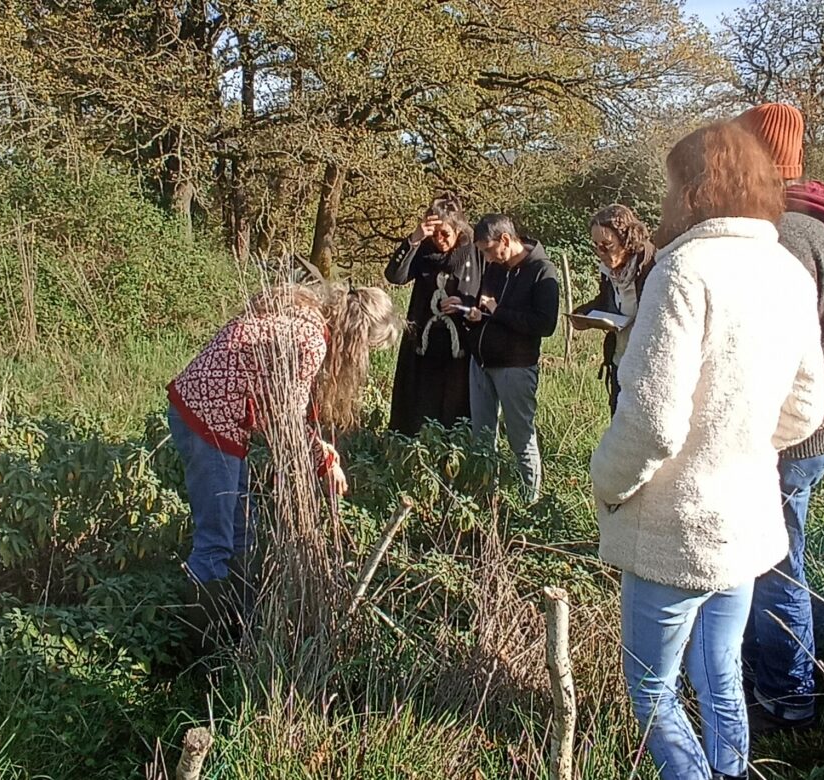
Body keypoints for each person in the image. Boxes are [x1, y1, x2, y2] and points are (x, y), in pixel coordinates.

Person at [590, 121, 824, 780]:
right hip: (747, 518)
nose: (664, 199)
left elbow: (653, 424)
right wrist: (739, 445)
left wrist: (606, 482)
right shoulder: (786, 267)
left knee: (652, 690)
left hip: (675, 524)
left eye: (670, 184)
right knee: (721, 675)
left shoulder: (683, 270)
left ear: (694, 190)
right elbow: (806, 407)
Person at [166, 282, 401, 638]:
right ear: (356, 334)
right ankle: (197, 644)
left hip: (214, 417)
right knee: (216, 540)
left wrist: (318, 445)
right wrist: (324, 460)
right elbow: (285, 420)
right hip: (208, 421)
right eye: (367, 348)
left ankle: (239, 630)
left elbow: (282, 400)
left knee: (245, 533)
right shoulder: (310, 339)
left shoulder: (304, 314)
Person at [735, 102, 824, 735]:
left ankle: (788, 694)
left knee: (774, 560)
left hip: (792, 430)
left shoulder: (781, 233)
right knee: (783, 552)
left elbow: (768, 347)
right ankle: (775, 675)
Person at [459, 214, 559, 504]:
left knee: (521, 439)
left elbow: (545, 324)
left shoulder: (543, 272)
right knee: (482, 438)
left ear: (505, 239)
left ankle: (530, 503)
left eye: (489, 250)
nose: (487, 258)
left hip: (515, 367)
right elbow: (486, 307)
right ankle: (484, 498)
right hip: (480, 363)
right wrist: (473, 313)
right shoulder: (495, 268)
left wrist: (497, 311)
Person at [384, 192, 484, 435]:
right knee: (418, 408)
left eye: (445, 234)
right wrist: (415, 239)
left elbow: (487, 293)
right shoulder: (423, 251)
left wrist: (464, 303)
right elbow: (394, 276)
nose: (439, 240)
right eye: (435, 233)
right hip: (423, 345)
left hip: (459, 347)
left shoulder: (474, 252)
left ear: (458, 229)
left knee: (455, 410)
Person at [571, 204, 658, 414]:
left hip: (650, 367)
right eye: (596, 245)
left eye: (607, 245)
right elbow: (605, 302)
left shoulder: (654, 266)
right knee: (619, 429)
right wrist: (584, 314)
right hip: (620, 362)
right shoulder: (609, 271)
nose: (600, 252)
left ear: (626, 238)